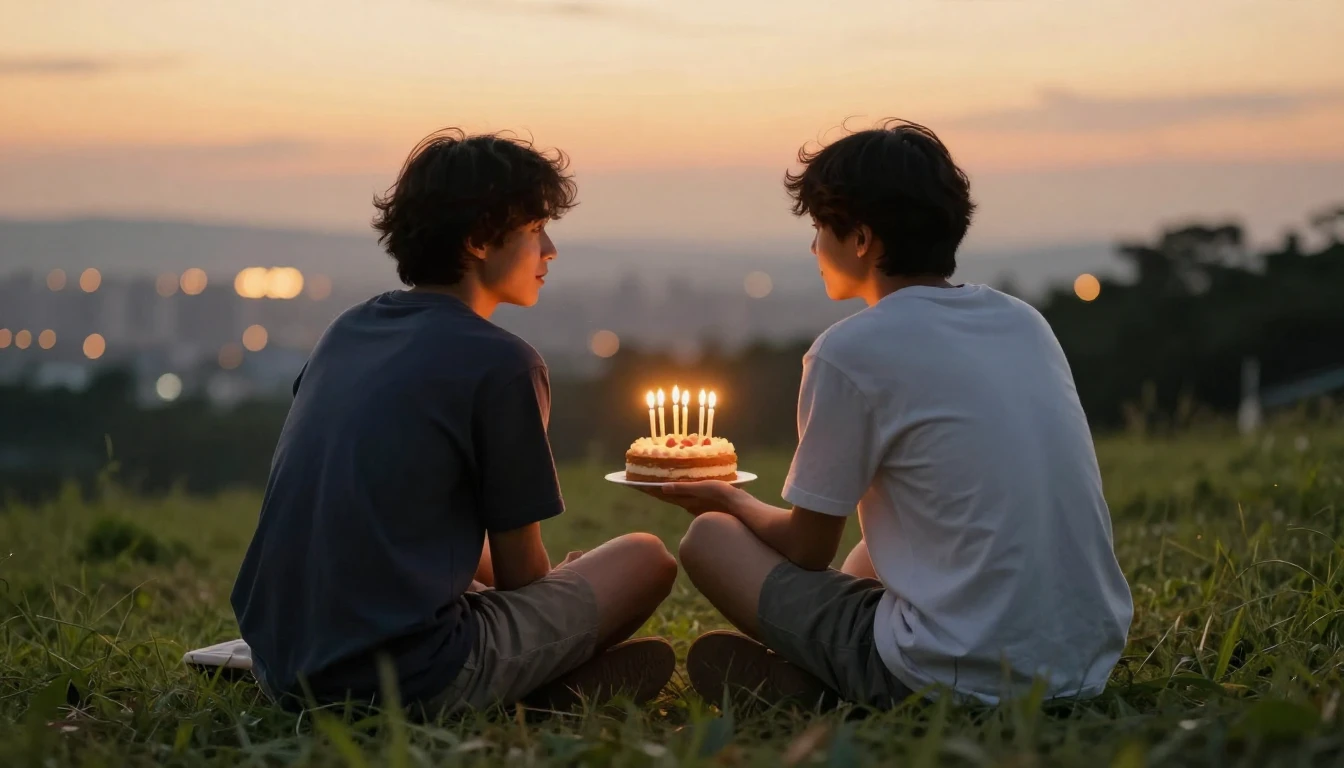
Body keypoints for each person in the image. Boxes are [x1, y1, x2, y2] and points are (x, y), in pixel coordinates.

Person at [646, 120, 1133, 709]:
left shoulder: (850, 350)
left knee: (709, 540)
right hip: (1081, 663)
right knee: (869, 556)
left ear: (862, 240)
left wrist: (728, 498)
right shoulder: (1024, 322)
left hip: (956, 673)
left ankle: (838, 690)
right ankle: (819, 682)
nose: (814, 246)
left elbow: (807, 549)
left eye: (821, 227)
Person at [230, 129, 679, 716]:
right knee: (647, 557)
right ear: (478, 239)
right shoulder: (502, 362)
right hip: (410, 677)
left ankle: (545, 685)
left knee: (506, 583)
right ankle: (540, 693)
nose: (550, 250)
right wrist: (558, 586)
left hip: (280, 663)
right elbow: (520, 574)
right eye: (535, 230)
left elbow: (400, 516)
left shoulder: (347, 330)